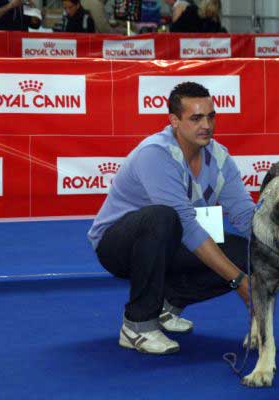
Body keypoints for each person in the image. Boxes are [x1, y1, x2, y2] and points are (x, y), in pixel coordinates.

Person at [87, 82, 254, 354]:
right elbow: (187, 225)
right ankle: (137, 325)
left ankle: (166, 305)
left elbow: (246, 215)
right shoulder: (155, 153)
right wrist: (238, 280)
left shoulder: (220, 157)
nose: (207, 125)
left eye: (211, 116)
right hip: (118, 246)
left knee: (252, 254)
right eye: (196, 118)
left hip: (170, 243)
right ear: (174, 121)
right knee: (162, 217)